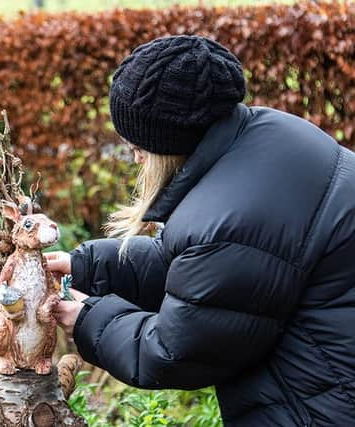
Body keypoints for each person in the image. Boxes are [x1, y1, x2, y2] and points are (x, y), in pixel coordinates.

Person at [45, 35, 355, 426]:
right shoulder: (269, 134)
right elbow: (196, 268)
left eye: (136, 143)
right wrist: (84, 265)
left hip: (322, 408)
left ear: (169, 140)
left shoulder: (230, 218)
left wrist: (87, 317)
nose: (133, 154)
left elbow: (177, 352)